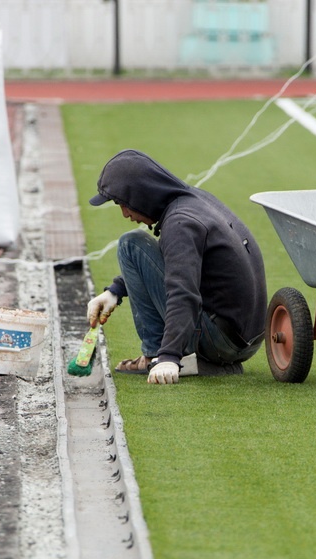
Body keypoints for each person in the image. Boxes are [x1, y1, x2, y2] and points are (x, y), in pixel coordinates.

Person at [86, 149, 267, 385]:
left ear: (141, 195)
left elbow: (183, 291)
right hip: (247, 339)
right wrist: (115, 292)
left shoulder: (180, 223)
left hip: (222, 343)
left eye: (123, 204)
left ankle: (155, 354)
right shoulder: (193, 202)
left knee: (131, 244)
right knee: (136, 246)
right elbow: (172, 262)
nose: (125, 214)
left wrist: (169, 356)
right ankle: (180, 356)